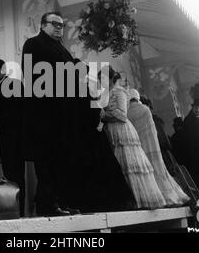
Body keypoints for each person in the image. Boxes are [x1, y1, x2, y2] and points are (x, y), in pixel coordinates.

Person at [21, 12, 134, 215]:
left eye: (62, 25)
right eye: (54, 24)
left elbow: (75, 78)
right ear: (43, 25)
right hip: (46, 115)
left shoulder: (61, 48)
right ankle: (48, 205)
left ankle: (62, 201)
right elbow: (35, 77)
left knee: (62, 161)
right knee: (47, 161)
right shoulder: (34, 44)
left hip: (66, 116)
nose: (59, 28)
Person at [100, 67, 166, 209]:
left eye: (104, 79)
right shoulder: (106, 94)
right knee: (116, 164)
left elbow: (123, 115)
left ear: (112, 79)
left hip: (121, 130)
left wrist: (104, 115)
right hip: (110, 130)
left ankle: (137, 199)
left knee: (127, 163)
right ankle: (124, 199)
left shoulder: (120, 92)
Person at [127, 88, 189, 207]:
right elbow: (153, 132)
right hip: (151, 146)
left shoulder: (127, 112)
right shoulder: (145, 110)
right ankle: (165, 196)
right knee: (157, 169)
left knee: (144, 173)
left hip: (137, 148)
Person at [0, 58, 26, 216]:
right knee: (8, 173)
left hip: (17, 135)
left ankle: (21, 209)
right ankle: (12, 210)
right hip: (3, 136)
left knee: (18, 173)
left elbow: (20, 111)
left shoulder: (15, 85)